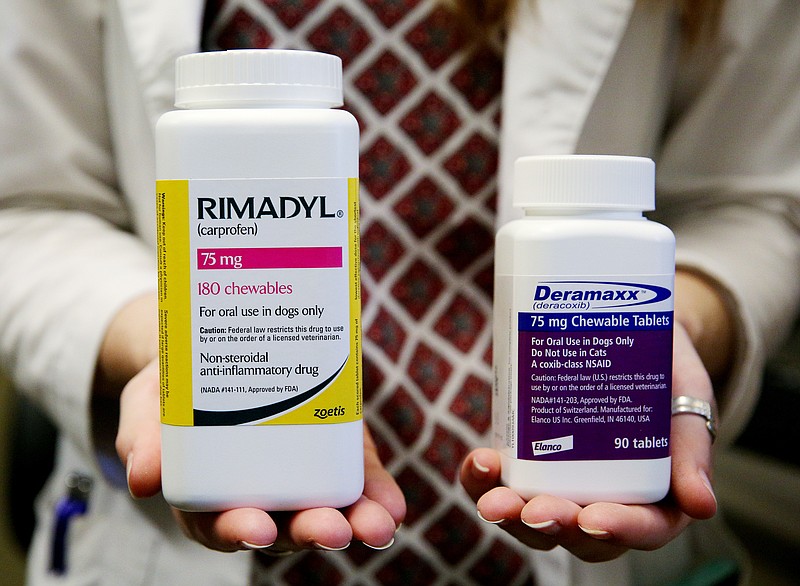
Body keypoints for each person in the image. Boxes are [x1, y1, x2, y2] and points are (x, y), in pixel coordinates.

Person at [1, 0, 798, 584]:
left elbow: (757, 198)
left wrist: (664, 324)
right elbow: (25, 206)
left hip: (552, 527)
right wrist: (173, 341)